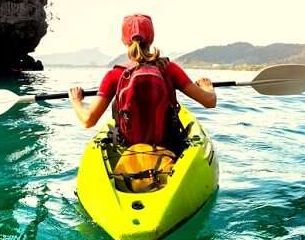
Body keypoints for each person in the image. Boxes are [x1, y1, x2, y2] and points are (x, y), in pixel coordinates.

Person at [68, 14, 216, 147]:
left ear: (123, 40)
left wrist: (76, 101)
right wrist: (207, 87)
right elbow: (209, 102)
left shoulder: (115, 75)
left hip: (129, 148)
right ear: (151, 38)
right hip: (167, 146)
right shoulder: (169, 68)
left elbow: (88, 120)